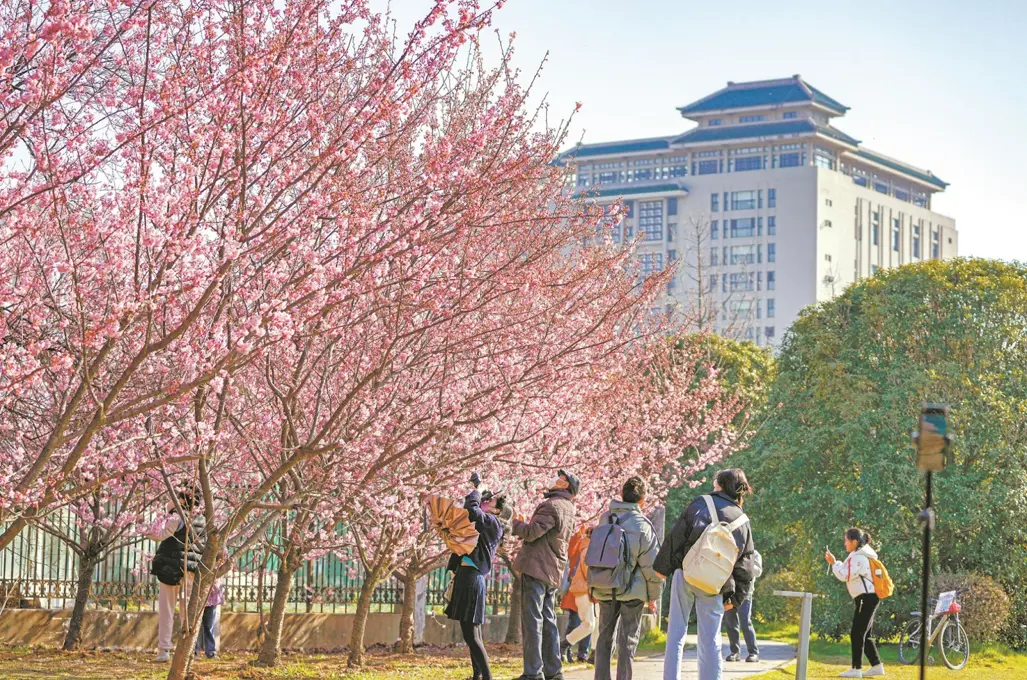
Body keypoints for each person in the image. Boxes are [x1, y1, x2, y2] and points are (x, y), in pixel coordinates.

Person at [655, 469, 756, 680]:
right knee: (711, 639)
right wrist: (736, 598)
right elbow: (746, 564)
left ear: (720, 485)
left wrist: (662, 568)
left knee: (676, 634)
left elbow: (676, 536)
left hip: (686, 573)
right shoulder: (742, 519)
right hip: (715, 583)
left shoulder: (701, 503)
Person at [591, 476, 663, 680]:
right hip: (633, 590)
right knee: (628, 640)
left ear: (622, 495)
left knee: (604, 638)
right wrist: (653, 596)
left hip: (606, 586)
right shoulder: (642, 525)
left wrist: (593, 586)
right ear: (642, 500)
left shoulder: (605, 518)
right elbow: (651, 566)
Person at [512, 469, 580, 680]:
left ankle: (533, 672)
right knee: (548, 619)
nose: (555, 479)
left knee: (532, 620)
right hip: (552, 570)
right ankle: (553, 670)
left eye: (561, 478)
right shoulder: (569, 508)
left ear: (565, 485)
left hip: (537, 567)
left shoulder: (551, 505)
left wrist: (514, 523)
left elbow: (532, 533)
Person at [445, 479, 507, 680]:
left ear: (498, 510)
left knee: (471, 635)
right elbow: (468, 513)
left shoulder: (492, 522)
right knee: (474, 634)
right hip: (468, 577)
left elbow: (471, 510)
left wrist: (477, 490)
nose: (487, 501)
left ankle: (487, 677)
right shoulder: (485, 523)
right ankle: (477, 675)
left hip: (472, 579)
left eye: (491, 501)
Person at [149, 486, 207, 663]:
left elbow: (158, 535)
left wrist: (145, 526)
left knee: (167, 610)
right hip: (191, 571)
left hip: (171, 570)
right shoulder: (202, 519)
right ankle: (190, 649)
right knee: (188, 612)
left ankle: (164, 650)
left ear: (180, 499)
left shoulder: (176, 517)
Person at [825, 528, 885, 679]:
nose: (844, 543)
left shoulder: (859, 558)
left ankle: (856, 669)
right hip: (867, 598)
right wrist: (835, 562)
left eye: (846, 540)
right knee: (865, 634)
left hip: (866, 598)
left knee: (857, 633)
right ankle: (877, 666)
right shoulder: (858, 555)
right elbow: (845, 570)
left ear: (854, 541)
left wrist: (833, 563)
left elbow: (844, 575)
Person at [724, 549, 762, 663]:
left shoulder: (754, 554)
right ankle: (735, 652)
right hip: (730, 592)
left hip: (745, 593)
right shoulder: (731, 550)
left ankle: (753, 653)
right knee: (730, 622)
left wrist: (745, 563)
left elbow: (758, 572)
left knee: (745, 621)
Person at [195, 574, 224, 659]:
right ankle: (193, 652)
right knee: (193, 627)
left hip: (211, 597)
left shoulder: (218, 567)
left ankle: (211, 652)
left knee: (208, 627)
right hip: (197, 597)